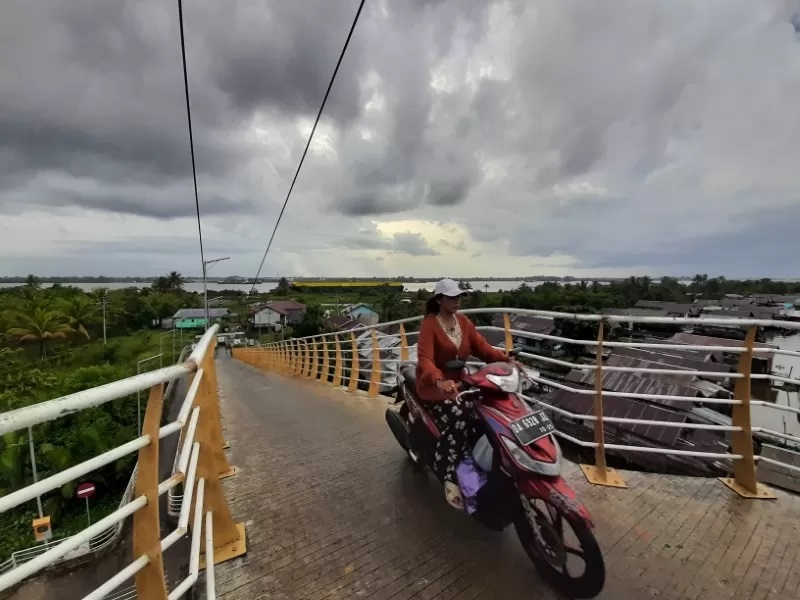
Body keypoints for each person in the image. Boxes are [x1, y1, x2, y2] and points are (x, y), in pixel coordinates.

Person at [415, 278, 514, 510]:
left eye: (459, 296)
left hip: (461, 383)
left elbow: (482, 348)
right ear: (439, 300)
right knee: (460, 417)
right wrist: (439, 380)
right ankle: (448, 474)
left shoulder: (463, 322)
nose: (457, 300)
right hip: (435, 386)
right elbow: (425, 359)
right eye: (451, 297)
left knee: (485, 413)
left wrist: (506, 359)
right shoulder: (429, 324)